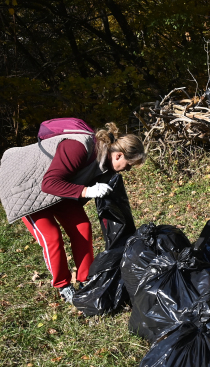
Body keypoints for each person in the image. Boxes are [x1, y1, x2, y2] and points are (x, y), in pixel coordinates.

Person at [0, 122, 146, 303]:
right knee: (51, 236)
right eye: (129, 165)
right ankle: (63, 286)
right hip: (26, 188)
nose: (128, 170)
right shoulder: (79, 147)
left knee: (82, 226)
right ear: (119, 155)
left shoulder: (106, 166)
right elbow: (48, 184)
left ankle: (86, 280)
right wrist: (87, 191)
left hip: (58, 190)